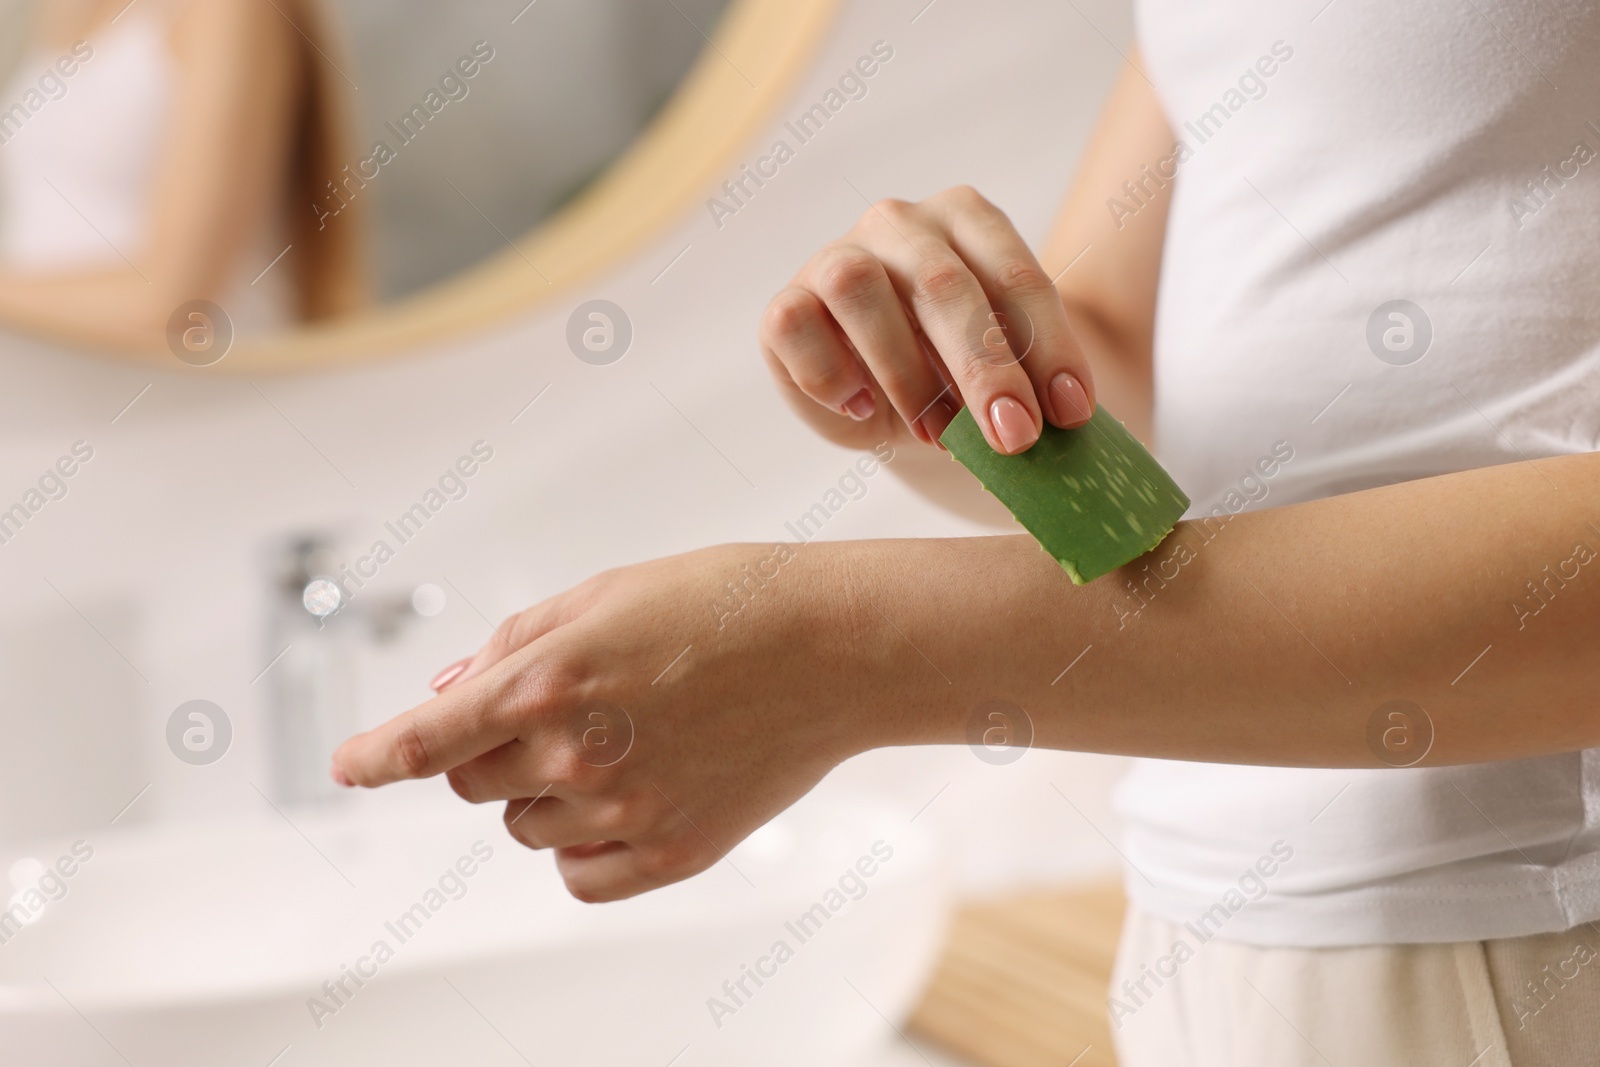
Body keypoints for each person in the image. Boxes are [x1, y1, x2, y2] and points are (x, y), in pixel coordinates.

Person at [332, 5, 1600, 1063]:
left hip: (1527, 919)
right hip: (1212, 921)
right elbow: (1134, 387)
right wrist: (930, 387)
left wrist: (842, 649)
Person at [0, 0, 366, 350]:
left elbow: (170, 303)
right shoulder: (71, 10)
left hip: (194, 394)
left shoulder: (231, 11)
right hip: (58, 379)